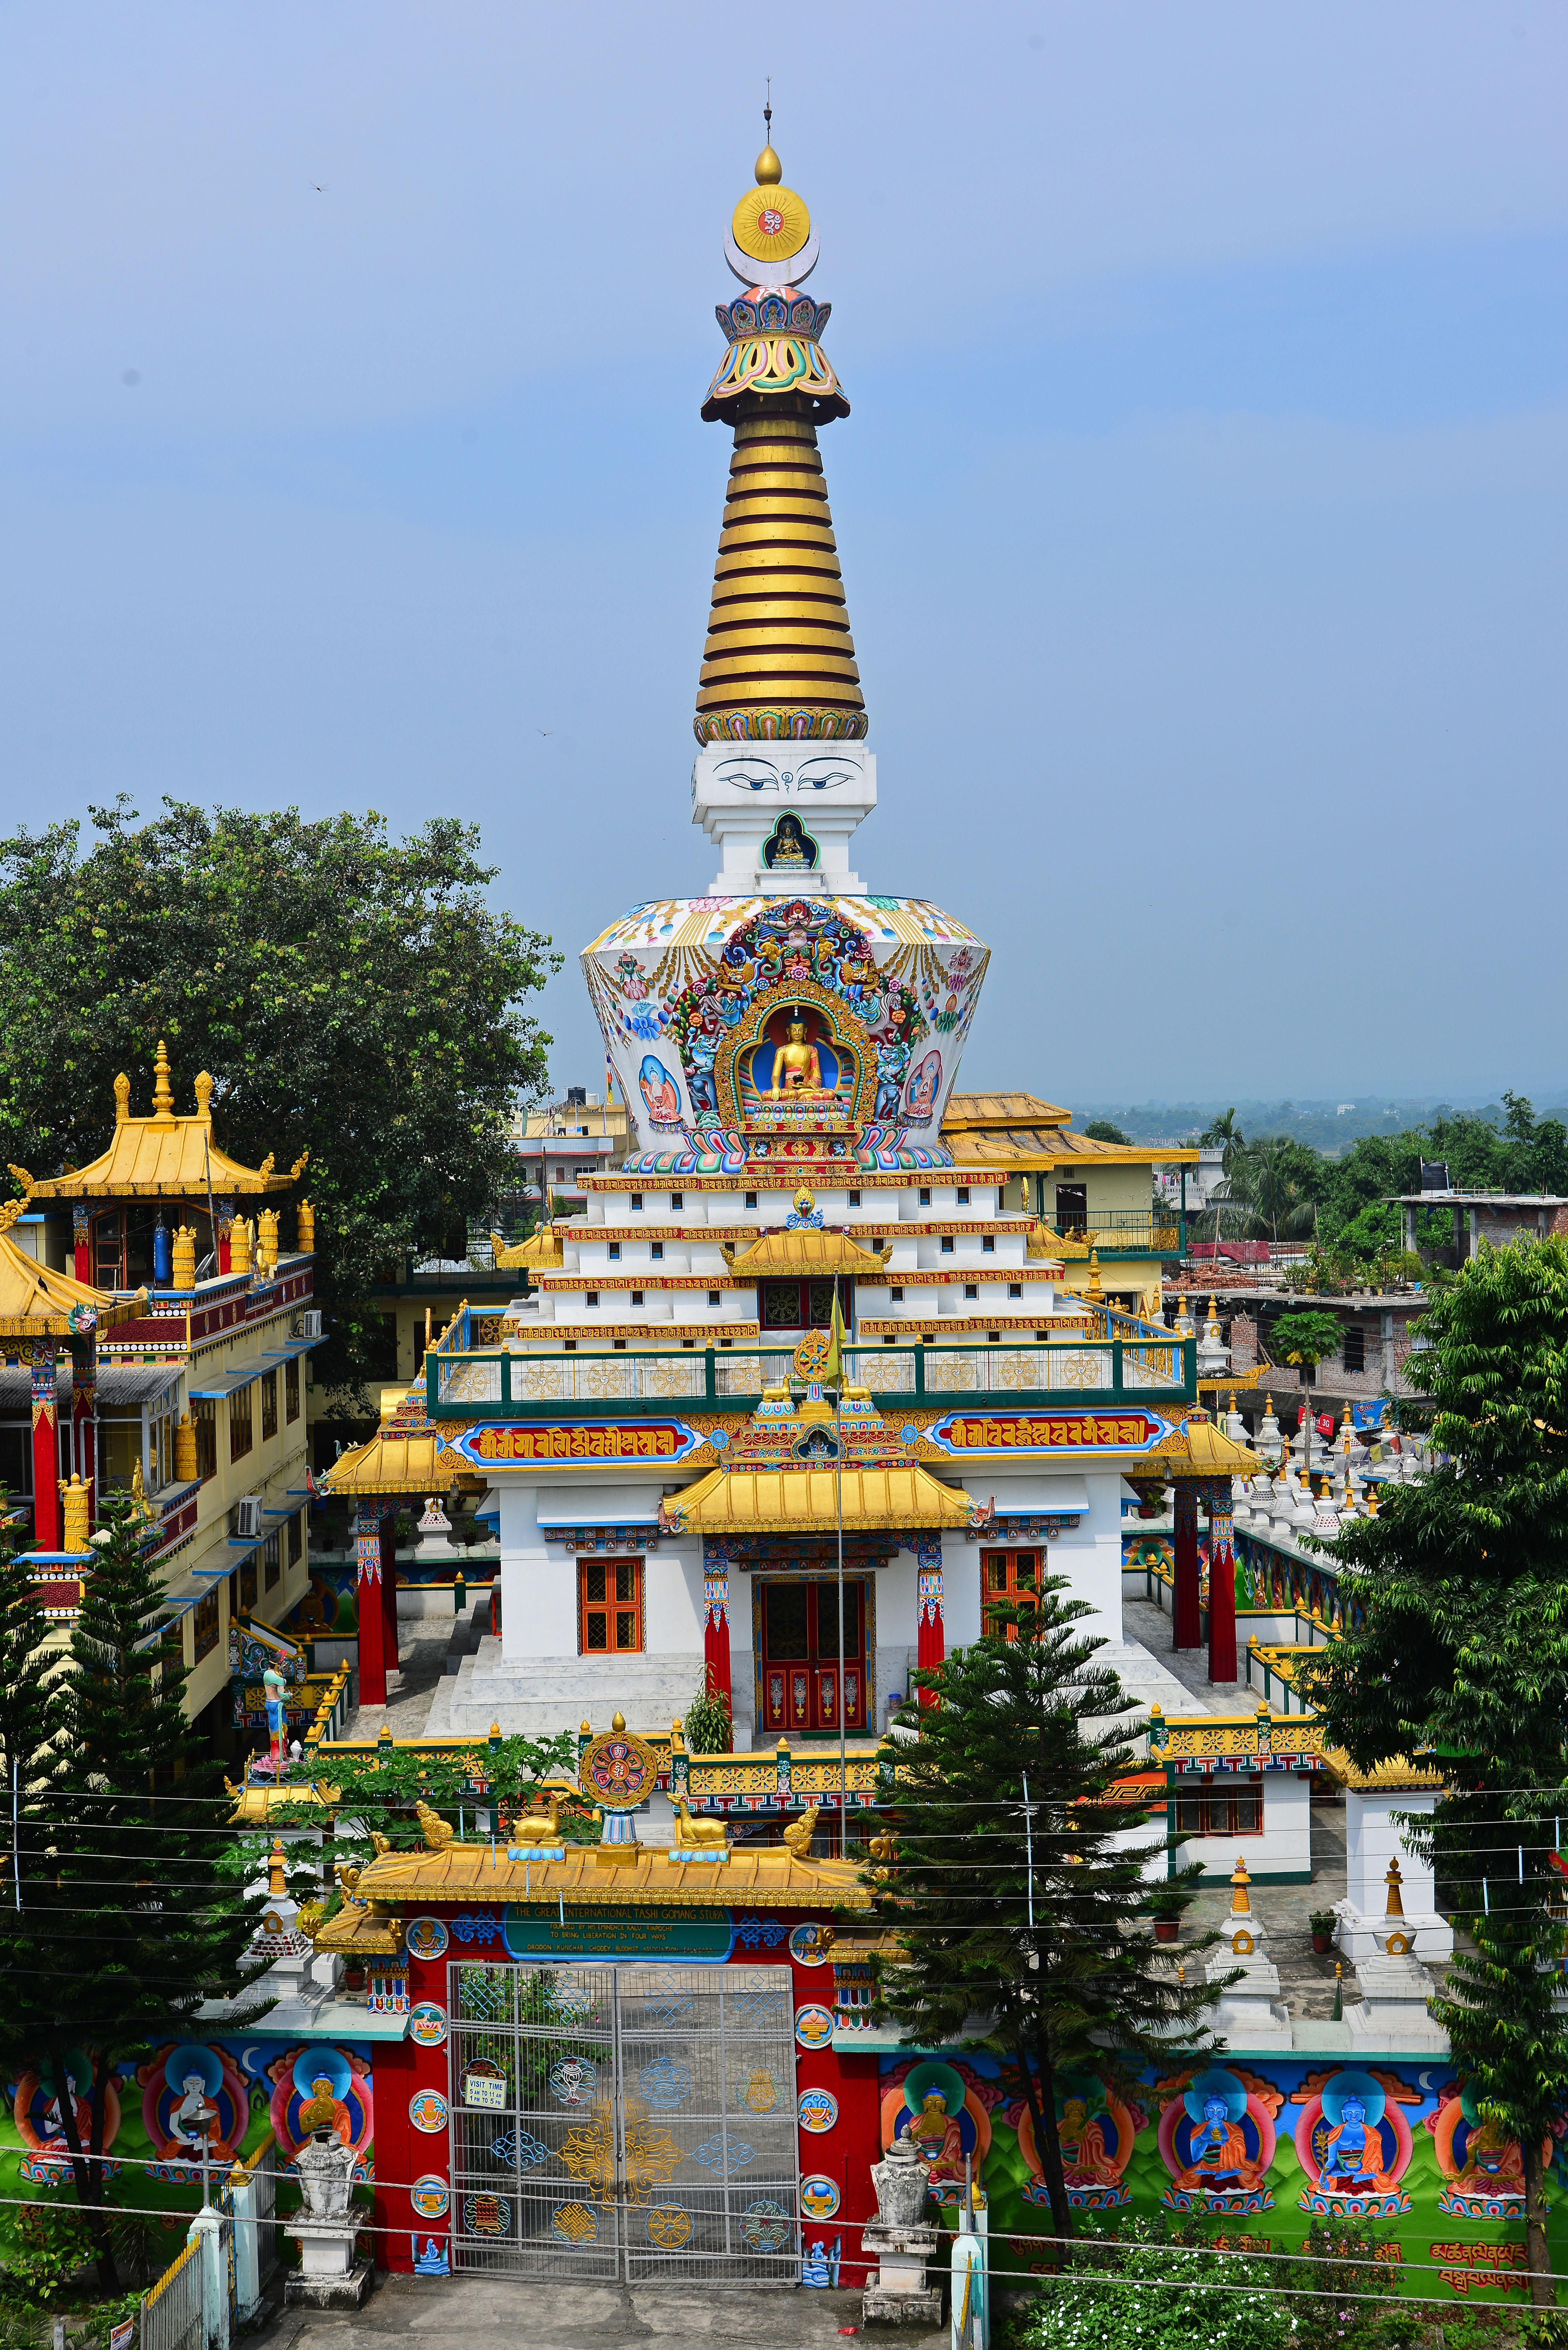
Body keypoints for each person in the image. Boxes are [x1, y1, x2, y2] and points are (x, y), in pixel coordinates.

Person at [1174, 2095, 1266, 2193]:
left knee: (1247, 2177)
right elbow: (1195, 2158)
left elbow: (1241, 2152)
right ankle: (1216, 2173)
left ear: (1225, 2111)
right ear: (1206, 2111)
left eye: (1219, 2110)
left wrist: (1224, 2144)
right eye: (1211, 2110)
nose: (1215, 2114)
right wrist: (1206, 2143)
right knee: (1189, 2178)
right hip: (1206, 2166)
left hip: (1229, 2166)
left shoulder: (1234, 2129)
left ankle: (1221, 2173)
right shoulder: (1198, 2131)